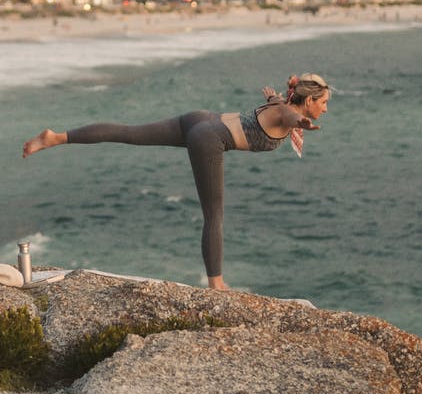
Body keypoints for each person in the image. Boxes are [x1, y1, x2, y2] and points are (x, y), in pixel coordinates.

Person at [20, 73, 332, 291]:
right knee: (214, 215)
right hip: (209, 137)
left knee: (129, 133)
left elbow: (282, 106)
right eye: (323, 103)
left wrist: (278, 98)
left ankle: (56, 137)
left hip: (200, 119)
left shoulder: (280, 103)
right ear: (309, 100)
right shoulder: (287, 114)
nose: (325, 109)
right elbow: (291, 119)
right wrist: (301, 121)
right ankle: (216, 283)